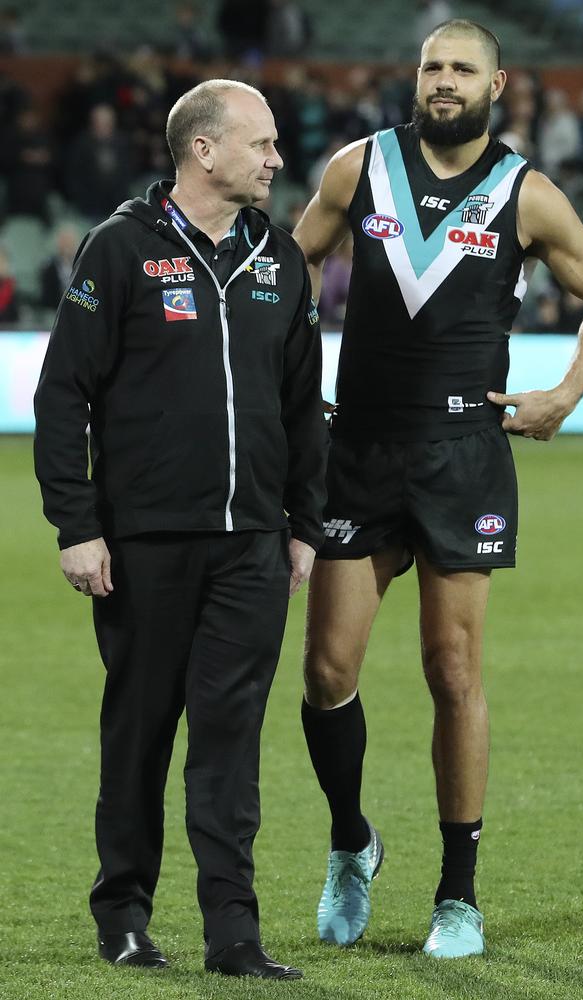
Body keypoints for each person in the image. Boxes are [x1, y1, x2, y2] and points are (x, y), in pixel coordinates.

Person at [293, 19, 583, 959]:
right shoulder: (359, 168)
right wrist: (289, 385)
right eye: (432, 67)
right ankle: (353, 843)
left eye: (462, 69)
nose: (444, 81)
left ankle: (458, 896)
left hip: (461, 455)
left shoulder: (527, 193)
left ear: (499, 82)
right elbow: (286, 275)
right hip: (356, 451)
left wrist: (563, 395)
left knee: (454, 673)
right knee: (326, 674)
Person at [34, 79, 327, 980]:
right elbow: (62, 395)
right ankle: (122, 913)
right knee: (140, 730)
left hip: (251, 546)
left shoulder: (280, 257)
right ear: (205, 149)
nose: (278, 160)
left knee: (231, 741)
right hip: (143, 544)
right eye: (263, 144)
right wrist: (76, 526)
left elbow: (302, 405)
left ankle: (233, 933)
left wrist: (306, 522)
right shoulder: (119, 249)